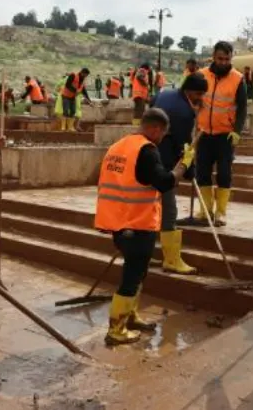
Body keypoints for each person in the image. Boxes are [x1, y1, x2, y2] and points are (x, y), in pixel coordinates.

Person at [94, 108, 195, 345]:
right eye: (162, 133)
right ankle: (116, 329)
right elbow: (164, 182)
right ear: (155, 129)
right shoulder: (146, 151)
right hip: (136, 223)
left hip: (119, 222)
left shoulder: (119, 146)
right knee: (131, 277)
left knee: (138, 273)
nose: (161, 139)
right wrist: (184, 164)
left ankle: (130, 315)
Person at [151, 72, 208, 275]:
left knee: (149, 209)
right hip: (163, 164)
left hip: (147, 156)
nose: (201, 98)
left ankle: (147, 253)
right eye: (199, 94)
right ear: (190, 91)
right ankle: (172, 260)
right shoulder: (184, 111)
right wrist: (190, 170)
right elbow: (184, 146)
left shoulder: (164, 94)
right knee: (169, 211)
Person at [195, 41, 247, 226]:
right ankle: (205, 210)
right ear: (213, 57)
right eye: (220, 58)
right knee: (202, 173)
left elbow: (242, 108)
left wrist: (237, 131)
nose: (223, 62)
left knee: (224, 174)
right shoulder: (201, 75)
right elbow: (192, 99)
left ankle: (221, 213)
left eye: (227, 59)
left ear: (231, 58)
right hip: (203, 134)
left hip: (225, 135)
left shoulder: (238, 79)